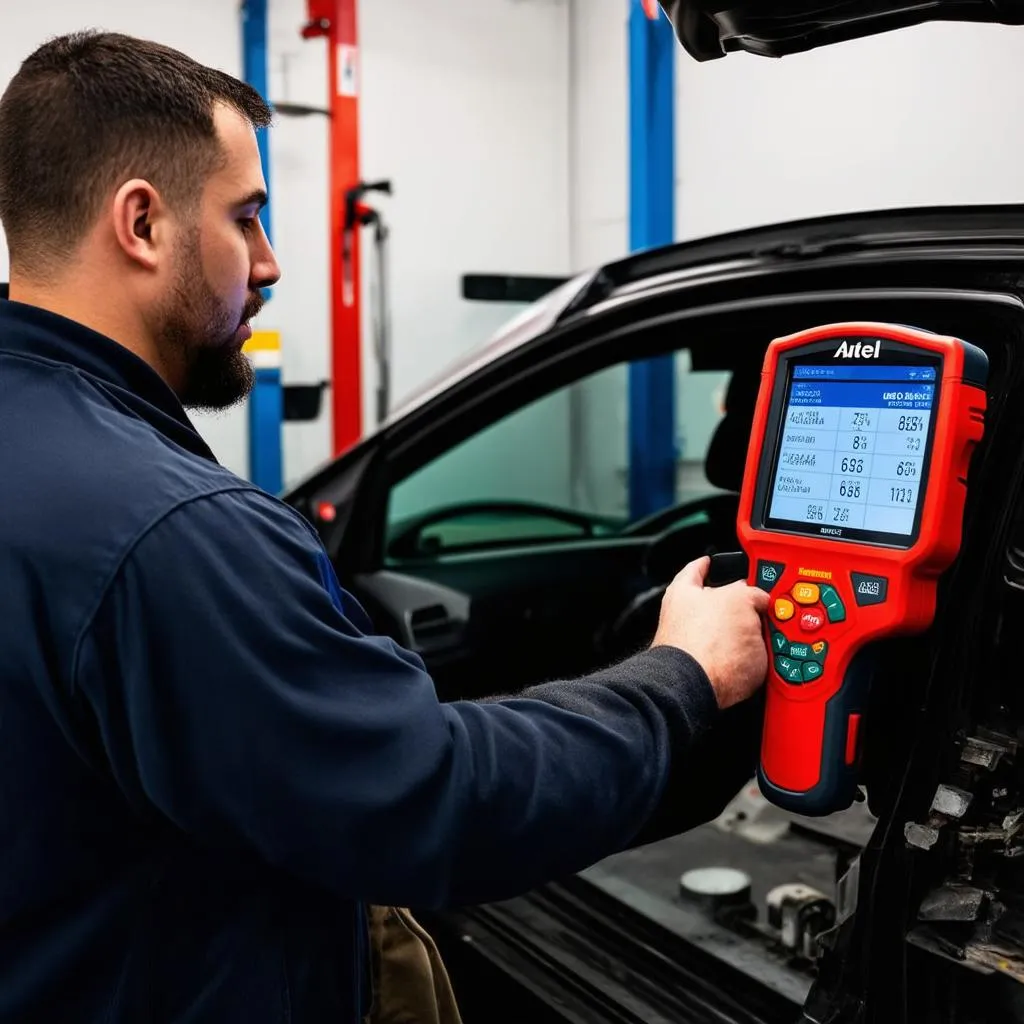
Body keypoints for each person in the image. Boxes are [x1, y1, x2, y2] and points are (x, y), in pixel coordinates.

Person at [0, 30, 770, 1024]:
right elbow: (435, 804)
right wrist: (681, 677)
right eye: (247, 217)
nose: (269, 264)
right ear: (140, 222)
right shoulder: (169, 534)